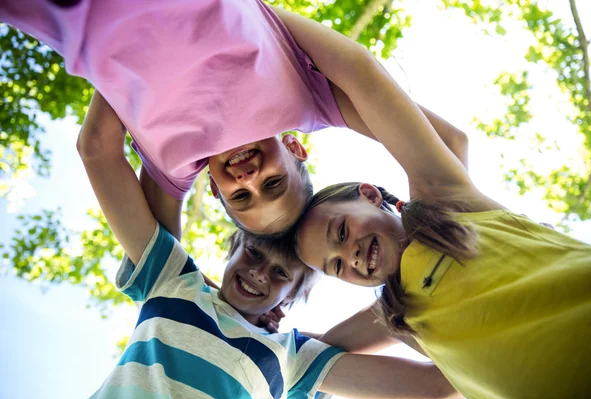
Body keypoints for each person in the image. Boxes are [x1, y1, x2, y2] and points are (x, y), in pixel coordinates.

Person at [271, 6, 591, 399]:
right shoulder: (401, 316)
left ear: (370, 194)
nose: (351, 255)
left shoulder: (444, 205)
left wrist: (263, 20)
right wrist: (250, 322)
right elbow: (322, 349)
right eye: (337, 266)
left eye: (340, 232)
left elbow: (364, 78)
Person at [77, 91, 459, 399]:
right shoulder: (174, 280)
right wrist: (135, 62)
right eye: (255, 254)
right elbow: (97, 149)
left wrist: (404, 294)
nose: (259, 272)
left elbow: (437, 386)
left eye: (280, 275)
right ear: (230, 251)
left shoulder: (292, 358)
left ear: (287, 301)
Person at [1, 0, 467, 237]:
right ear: (294, 148)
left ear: (214, 189)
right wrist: (438, 214)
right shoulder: (310, 100)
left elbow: (159, 267)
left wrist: (119, 71)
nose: (247, 178)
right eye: (272, 184)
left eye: (240, 196)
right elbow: (449, 141)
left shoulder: (173, 166)